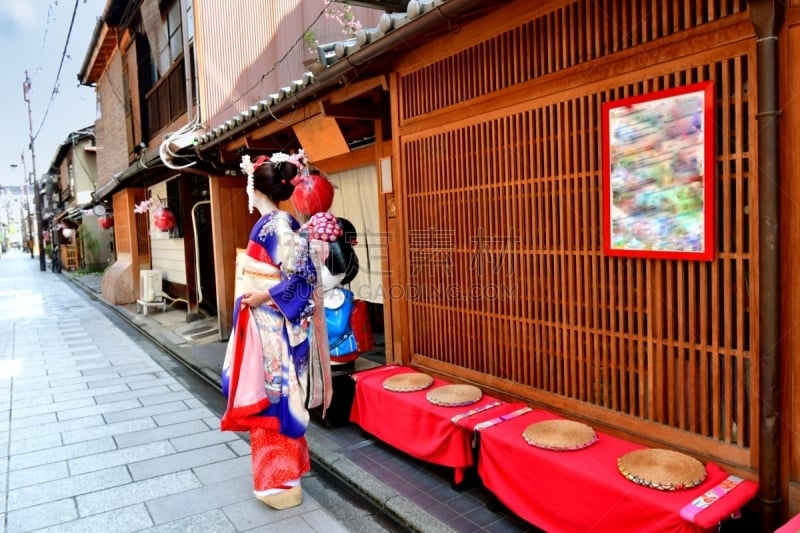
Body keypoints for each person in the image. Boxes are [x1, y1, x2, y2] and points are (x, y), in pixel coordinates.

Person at [220, 151, 331, 510]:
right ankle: (282, 479)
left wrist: (264, 295)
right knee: (273, 397)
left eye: (247, 187)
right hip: (265, 323)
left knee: (274, 399)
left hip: (272, 327)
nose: (246, 194)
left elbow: (303, 277)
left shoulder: (276, 226)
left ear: (256, 189)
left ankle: (279, 483)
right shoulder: (273, 224)